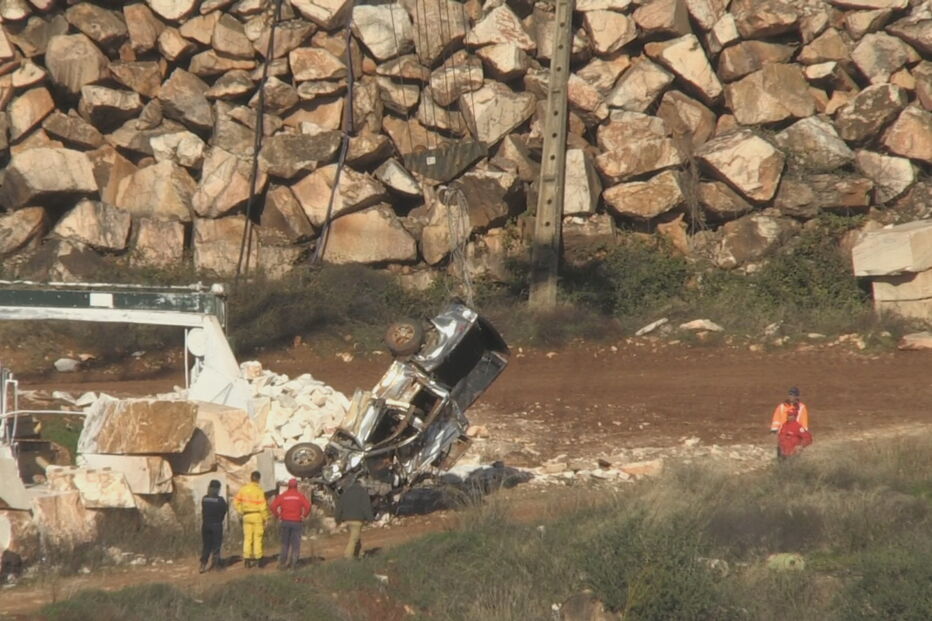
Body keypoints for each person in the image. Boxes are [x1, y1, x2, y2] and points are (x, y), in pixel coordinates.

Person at [270, 478, 312, 569]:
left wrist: (278, 515)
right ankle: (294, 563)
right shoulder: (299, 496)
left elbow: (273, 506)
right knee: (295, 544)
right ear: (296, 486)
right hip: (297, 522)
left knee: (285, 544)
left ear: (288, 486)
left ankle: (282, 564)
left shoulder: (283, 496)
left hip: (285, 522)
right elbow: (308, 506)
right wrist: (304, 515)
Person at [233, 471, 271, 569]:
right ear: (258, 479)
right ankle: (259, 559)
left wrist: (241, 511)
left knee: (247, 538)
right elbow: (263, 506)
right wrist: (266, 518)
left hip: (246, 516)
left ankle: (247, 559)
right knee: (257, 538)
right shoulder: (259, 491)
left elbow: (235, 502)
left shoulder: (243, 489)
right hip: (257, 516)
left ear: (251, 478)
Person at [334, 478, 374, 560]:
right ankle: (348, 556)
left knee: (356, 537)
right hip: (357, 520)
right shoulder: (363, 493)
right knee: (354, 539)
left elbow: (339, 507)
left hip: (347, 520)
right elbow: (366, 507)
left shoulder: (346, 493)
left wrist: (337, 519)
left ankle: (359, 554)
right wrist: (370, 519)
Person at [199, 479, 228, 573]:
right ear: (217, 489)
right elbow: (224, 510)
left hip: (205, 525)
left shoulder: (204, 499)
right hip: (216, 525)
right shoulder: (220, 500)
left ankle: (202, 565)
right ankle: (216, 566)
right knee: (216, 546)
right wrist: (220, 519)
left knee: (206, 546)